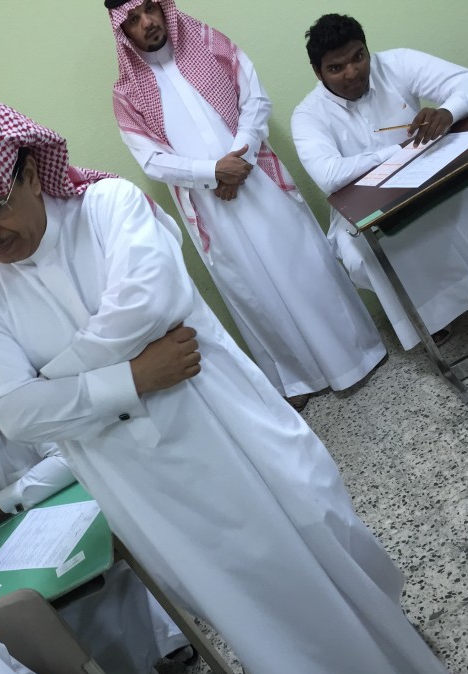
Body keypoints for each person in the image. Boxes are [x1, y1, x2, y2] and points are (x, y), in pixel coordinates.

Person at [0, 94, 465, 674]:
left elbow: (150, 304)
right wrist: (134, 377)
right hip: (148, 488)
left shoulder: (108, 207)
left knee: (326, 539)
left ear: (27, 170)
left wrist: (50, 380)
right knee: (264, 618)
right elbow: (16, 414)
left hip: (227, 434)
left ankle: (406, 673)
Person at [106, 0, 386, 409]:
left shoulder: (208, 43)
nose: (147, 22)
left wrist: (239, 159)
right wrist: (212, 172)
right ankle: (297, 380)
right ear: (122, 30)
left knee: (306, 267)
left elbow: (255, 101)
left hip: (259, 180)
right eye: (134, 19)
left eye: (150, 8)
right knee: (254, 292)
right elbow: (151, 159)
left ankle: (355, 356)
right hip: (209, 206)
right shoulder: (127, 93)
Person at [0, 355, 190, 674]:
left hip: (69, 515)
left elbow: (68, 457)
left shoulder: (15, 402)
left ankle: (167, 639)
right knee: (55, 614)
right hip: (12, 555)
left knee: (108, 575)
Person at [291, 13, 468, 351]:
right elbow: (330, 175)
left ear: (367, 50)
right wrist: (400, 151)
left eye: (358, 57)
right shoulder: (308, 114)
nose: (352, 72)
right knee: (359, 254)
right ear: (318, 72)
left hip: (428, 175)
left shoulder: (396, 63)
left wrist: (447, 112)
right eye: (336, 68)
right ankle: (430, 317)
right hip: (362, 202)